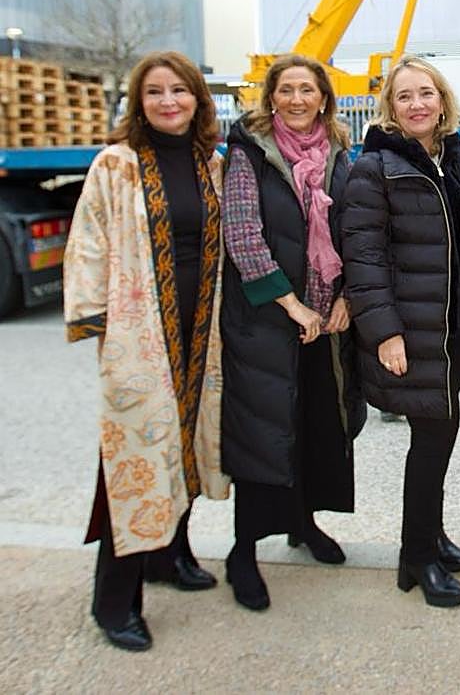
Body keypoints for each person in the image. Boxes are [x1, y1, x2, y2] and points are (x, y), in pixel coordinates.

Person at [63, 51, 229, 651]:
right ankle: (115, 601)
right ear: (139, 101)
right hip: (140, 333)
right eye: (155, 92)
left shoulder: (212, 162)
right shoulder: (116, 164)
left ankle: (170, 556)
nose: (168, 101)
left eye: (179, 91)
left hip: (201, 329)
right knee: (133, 461)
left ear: (196, 99)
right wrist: (100, 325)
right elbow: (87, 242)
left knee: (187, 444)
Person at [342, 56, 460, 608]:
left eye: (426, 94)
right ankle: (417, 557)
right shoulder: (375, 168)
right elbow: (362, 258)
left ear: (443, 101)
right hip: (410, 333)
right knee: (431, 441)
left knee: (440, 436)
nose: (417, 105)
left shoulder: (453, 161)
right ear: (390, 105)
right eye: (405, 96)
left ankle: (428, 536)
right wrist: (384, 332)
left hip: (451, 330)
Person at [220, 54, 366, 611]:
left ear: (324, 97)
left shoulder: (340, 154)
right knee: (263, 432)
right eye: (288, 90)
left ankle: (303, 525)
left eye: (308, 89)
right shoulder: (249, 153)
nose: (298, 99)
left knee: (315, 426)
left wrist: (347, 297)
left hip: (327, 321)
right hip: (266, 322)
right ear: (272, 98)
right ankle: (242, 553)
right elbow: (243, 234)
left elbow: (354, 228)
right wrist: (290, 304)